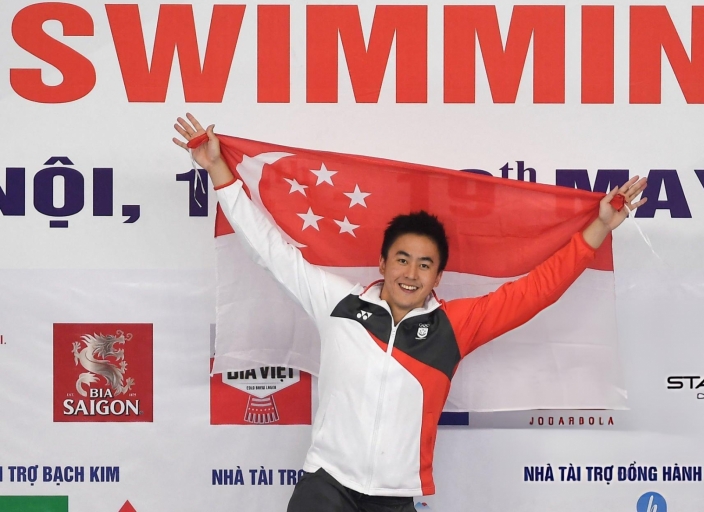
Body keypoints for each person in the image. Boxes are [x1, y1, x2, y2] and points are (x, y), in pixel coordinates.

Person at [173, 113, 647, 512]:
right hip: (325, 487)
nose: (411, 273)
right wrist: (219, 170)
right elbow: (269, 250)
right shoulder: (338, 302)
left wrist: (600, 227)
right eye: (402, 259)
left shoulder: (454, 326)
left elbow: (537, 291)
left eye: (425, 264)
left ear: (438, 277)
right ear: (382, 264)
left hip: (396, 498)